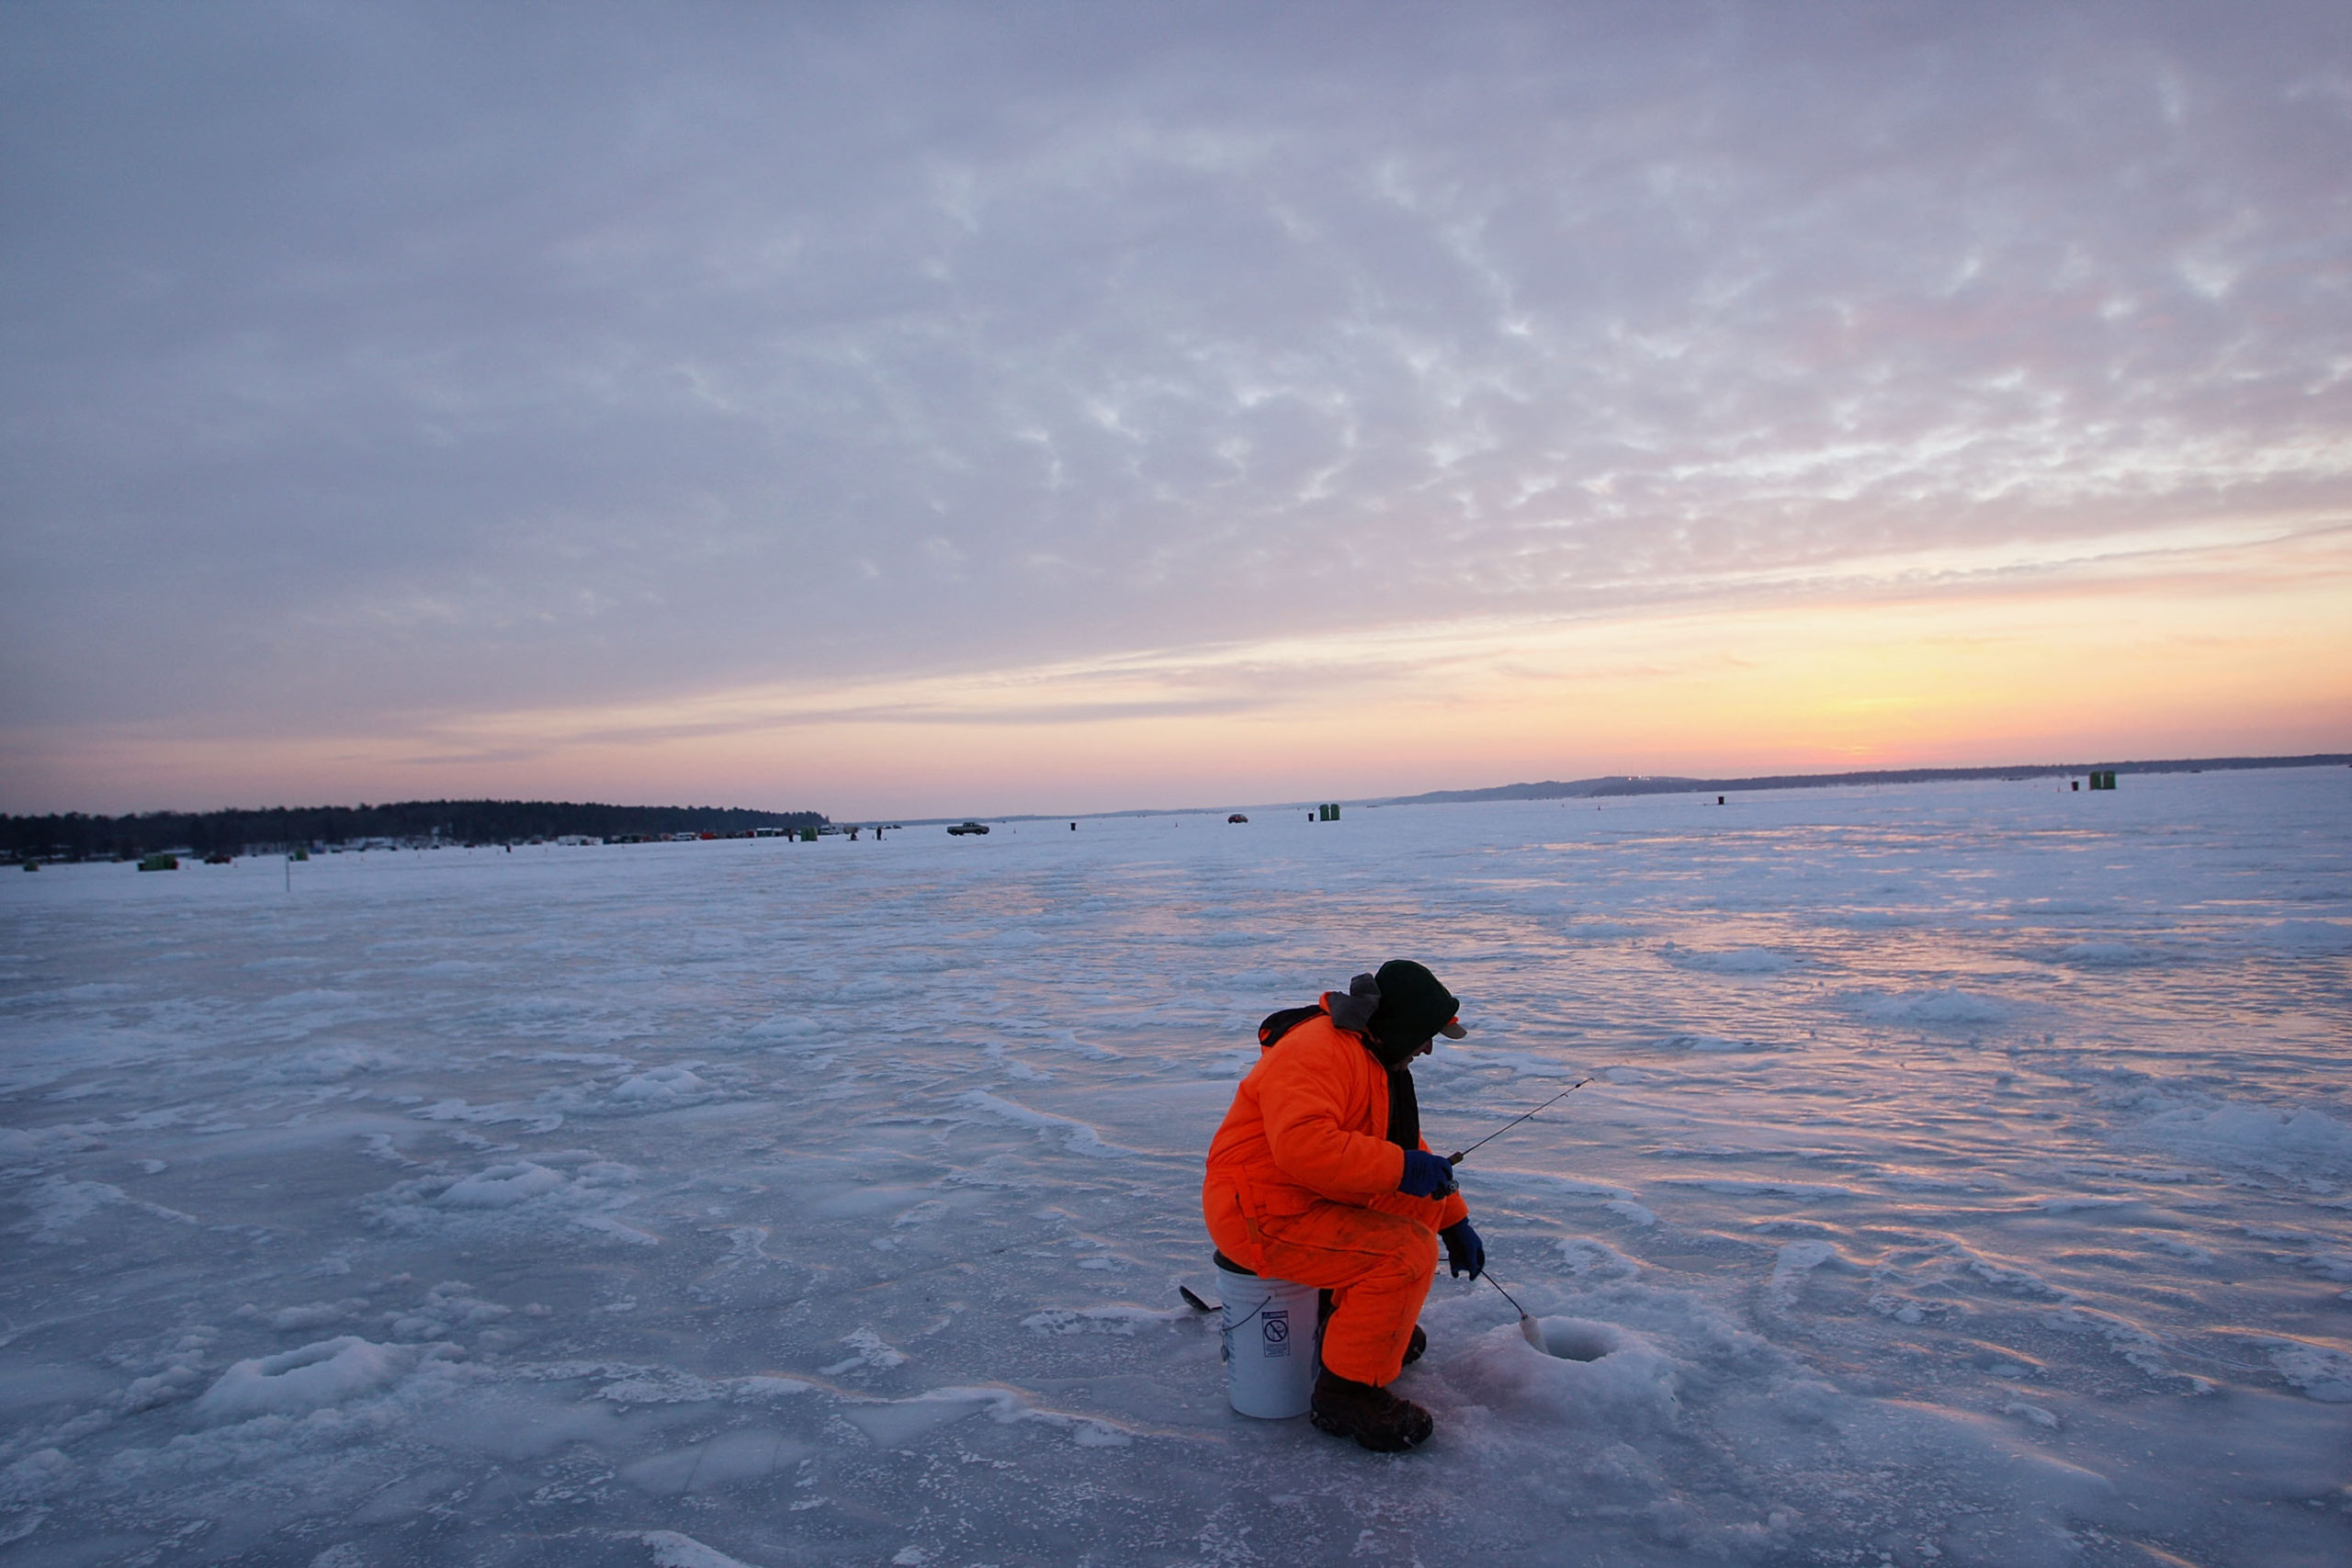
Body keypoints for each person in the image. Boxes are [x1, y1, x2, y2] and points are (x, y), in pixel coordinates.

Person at [1201, 959, 1484, 1450]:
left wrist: (1453, 1219)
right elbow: (1304, 1146)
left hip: (1308, 1197)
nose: (1429, 1048)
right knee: (1403, 1254)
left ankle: (1359, 1330)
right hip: (1258, 1214)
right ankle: (1346, 1393)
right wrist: (1404, 1170)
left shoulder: (1371, 1053)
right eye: (1427, 1035)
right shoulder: (1318, 1051)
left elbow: (1401, 1142)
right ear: (1403, 1026)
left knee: (1421, 1208)